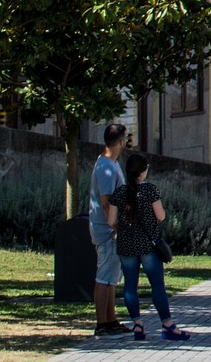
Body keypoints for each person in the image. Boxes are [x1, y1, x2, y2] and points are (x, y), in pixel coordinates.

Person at [112, 152, 188, 342]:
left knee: (130, 285)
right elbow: (161, 216)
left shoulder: (119, 193)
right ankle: (167, 324)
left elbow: (111, 220)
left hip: (126, 244)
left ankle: (137, 324)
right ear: (143, 171)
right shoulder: (150, 190)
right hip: (148, 245)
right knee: (157, 286)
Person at [90, 121, 130, 337]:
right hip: (107, 231)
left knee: (112, 276)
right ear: (121, 142)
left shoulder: (109, 163)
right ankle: (101, 323)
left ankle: (111, 319)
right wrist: (114, 226)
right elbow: (106, 202)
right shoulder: (106, 167)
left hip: (112, 228)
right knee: (104, 277)